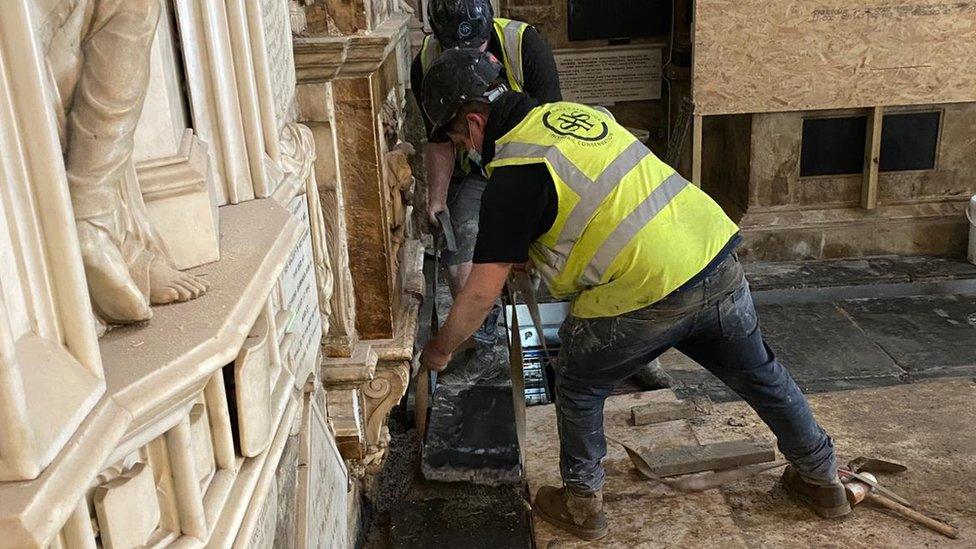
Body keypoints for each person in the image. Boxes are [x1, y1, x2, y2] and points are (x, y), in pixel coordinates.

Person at [417, 49, 850, 541]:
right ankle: (822, 480)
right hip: (712, 255)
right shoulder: (571, 115)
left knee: (579, 386)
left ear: (474, 123)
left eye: (456, 140)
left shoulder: (514, 171)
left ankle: (583, 505)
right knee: (759, 373)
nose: (462, 150)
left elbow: (478, 295)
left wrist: (441, 348)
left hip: (645, 294)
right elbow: (599, 200)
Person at [411, 0, 561, 380]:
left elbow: (551, 128)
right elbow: (441, 140)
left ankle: (624, 345)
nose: (469, 58)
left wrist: (522, 223)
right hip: (477, 170)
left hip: (534, 160)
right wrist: (437, 199)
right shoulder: (426, 66)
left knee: (543, 247)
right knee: (459, 241)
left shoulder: (525, 46)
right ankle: (484, 334)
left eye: (477, 48)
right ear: (439, 38)